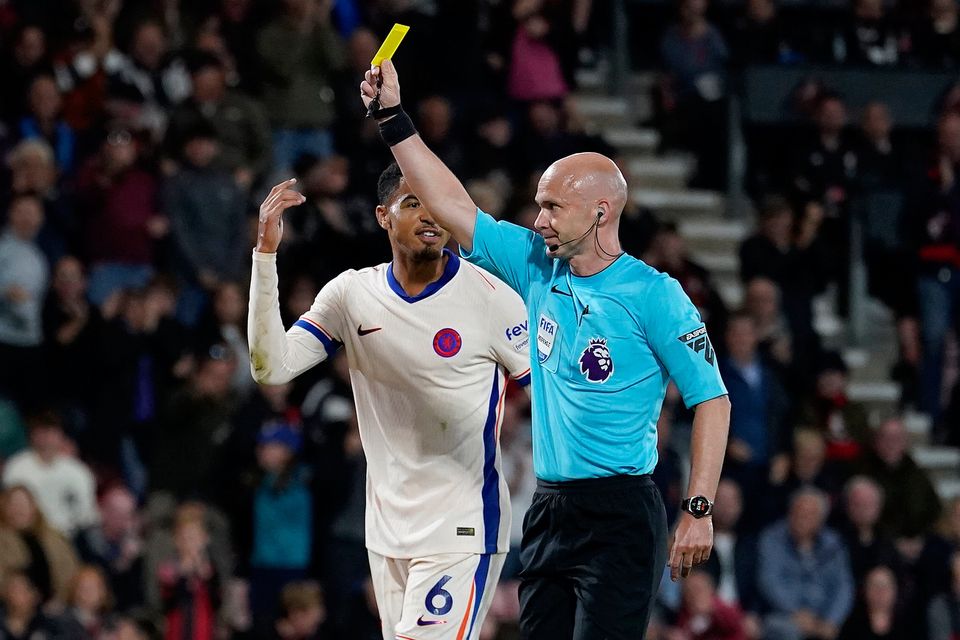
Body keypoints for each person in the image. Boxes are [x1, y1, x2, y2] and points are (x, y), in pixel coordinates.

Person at [361, 58, 730, 640]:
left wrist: (699, 508)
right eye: (540, 204)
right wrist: (392, 118)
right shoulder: (536, 264)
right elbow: (454, 206)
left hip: (622, 514)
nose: (540, 220)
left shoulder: (656, 295)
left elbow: (712, 399)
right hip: (549, 509)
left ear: (601, 213)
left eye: (554, 207)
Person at [248, 166, 532, 639]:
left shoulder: (492, 298)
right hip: (386, 531)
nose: (430, 215)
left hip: (462, 527)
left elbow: (553, 394)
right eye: (413, 202)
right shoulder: (352, 295)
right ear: (383, 216)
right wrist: (265, 256)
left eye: (437, 203)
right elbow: (270, 367)